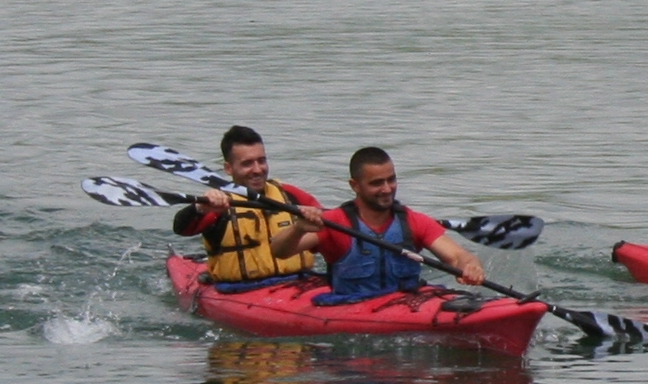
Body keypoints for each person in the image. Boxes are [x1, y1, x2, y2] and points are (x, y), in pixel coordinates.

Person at [312, 147, 488, 298]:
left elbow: (457, 256)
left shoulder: (414, 221)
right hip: (351, 303)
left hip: (407, 301)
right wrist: (299, 228)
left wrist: (471, 265)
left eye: (391, 179)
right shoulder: (334, 222)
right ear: (355, 185)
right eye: (377, 183)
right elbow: (284, 250)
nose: (387, 189)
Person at [173, 125, 327, 288]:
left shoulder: (290, 195)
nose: (257, 170)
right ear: (228, 168)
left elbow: (330, 220)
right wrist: (200, 208)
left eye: (261, 161)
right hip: (241, 290)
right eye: (247, 164)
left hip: (300, 282)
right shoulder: (219, 204)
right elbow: (182, 228)